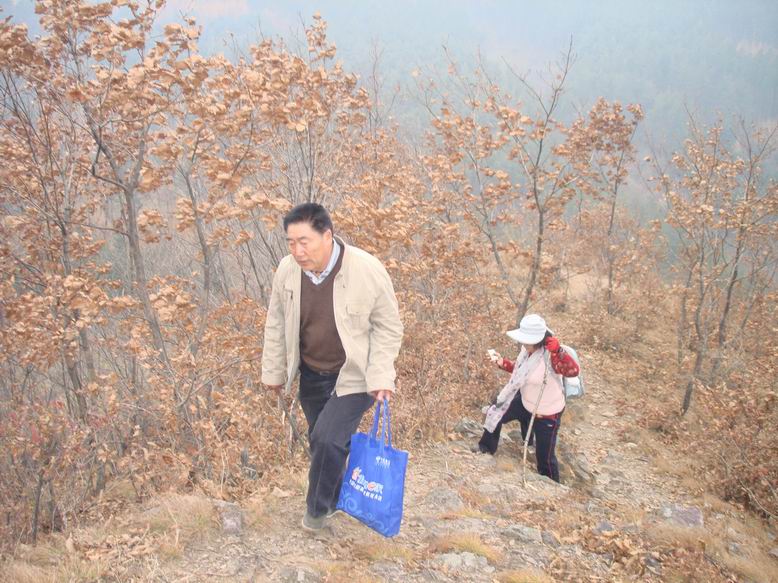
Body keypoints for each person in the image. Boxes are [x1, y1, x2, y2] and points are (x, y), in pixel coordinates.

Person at [261, 203, 403, 531]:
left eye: (304, 241)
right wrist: (274, 371)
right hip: (311, 371)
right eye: (291, 242)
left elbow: (388, 326)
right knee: (323, 440)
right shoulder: (287, 270)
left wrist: (382, 375)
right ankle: (338, 495)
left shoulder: (365, 269)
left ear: (327, 235)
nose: (297, 250)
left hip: (354, 374)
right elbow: (276, 320)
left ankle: (316, 513)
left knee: (327, 439)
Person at [476, 314, 579, 483]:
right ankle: (486, 448)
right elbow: (520, 371)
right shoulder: (526, 351)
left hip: (547, 413)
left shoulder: (551, 356)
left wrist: (559, 352)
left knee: (544, 456)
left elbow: (572, 371)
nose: (523, 343)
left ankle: (551, 484)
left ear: (537, 340)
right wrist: (502, 363)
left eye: (526, 340)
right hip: (525, 402)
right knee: (496, 412)